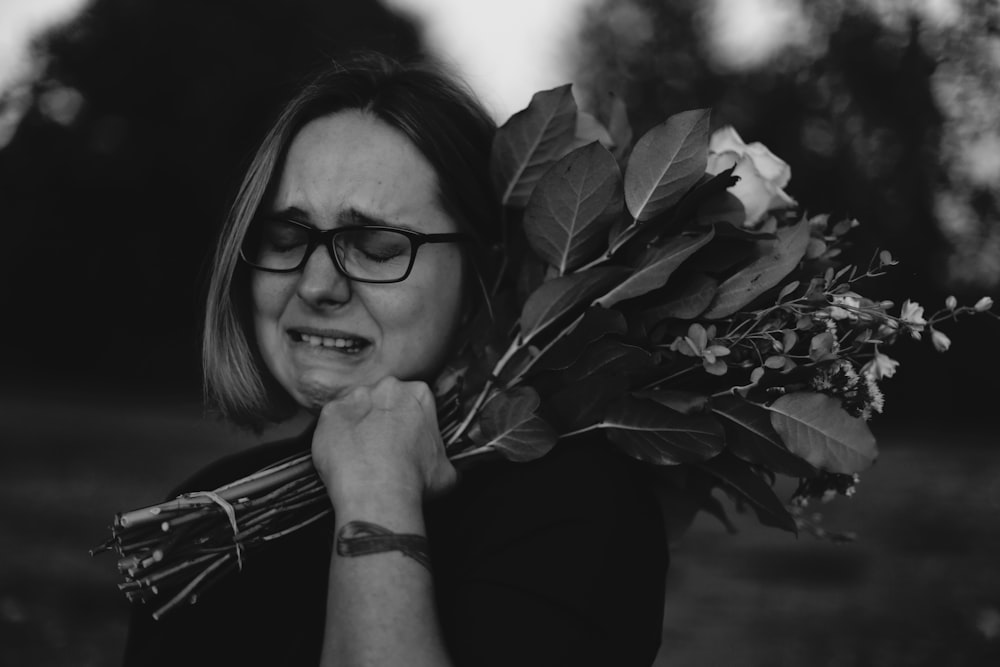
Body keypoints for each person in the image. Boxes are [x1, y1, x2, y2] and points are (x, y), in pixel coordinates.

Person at [121, 52, 668, 667]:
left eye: (377, 247)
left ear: (483, 276)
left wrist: (377, 495)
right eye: (286, 238)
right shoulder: (206, 510)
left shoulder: (574, 510)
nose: (316, 285)